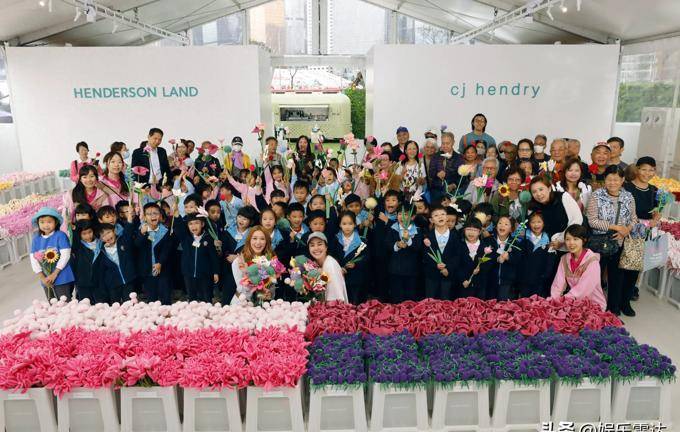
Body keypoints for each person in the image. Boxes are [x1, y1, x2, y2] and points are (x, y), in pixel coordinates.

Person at [586, 165, 638, 316]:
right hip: (600, 242)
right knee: (595, 276)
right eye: (609, 179)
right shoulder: (597, 195)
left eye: (616, 179)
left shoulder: (628, 196)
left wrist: (626, 230)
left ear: (622, 180)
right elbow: (592, 221)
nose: (612, 183)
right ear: (605, 180)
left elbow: (634, 218)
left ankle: (613, 309)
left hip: (620, 242)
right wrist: (615, 227)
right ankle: (593, 309)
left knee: (617, 277)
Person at [624, 156, 660, 302]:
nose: (647, 173)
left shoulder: (654, 190)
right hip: (626, 230)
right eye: (644, 169)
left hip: (643, 233)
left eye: (651, 170)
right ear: (637, 170)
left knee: (635, 265)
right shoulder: (626, 187)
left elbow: (656, 210)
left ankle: (628, 295)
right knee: (621, 265)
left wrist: (656, 217)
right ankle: (616, 296)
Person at [550, 224, 607, 310]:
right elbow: (558, 284)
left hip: (593, 304)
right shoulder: (564, 259)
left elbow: (583, 289)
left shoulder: (592, 261)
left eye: (575, 239)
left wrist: (564, 299)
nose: (571, 243)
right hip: (574, 302)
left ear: (584, 240)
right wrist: (554, 301)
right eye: (567, 239)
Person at [528, 175, 583, 252]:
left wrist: (561, 240)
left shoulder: (563, 197)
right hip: (549, 248)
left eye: (541, 189)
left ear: (549, 188)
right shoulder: (533, 208)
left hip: (571, 245)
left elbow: (577, 220)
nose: (538, 194)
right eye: (534, 192)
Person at [30, 207, 76, 300]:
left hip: (62, 276)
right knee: (52, 303)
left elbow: (65, 256)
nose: (45, 225)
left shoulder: (60, 236)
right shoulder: (36, 239)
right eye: (42, 222)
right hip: (46, 279)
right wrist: (42, 277)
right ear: (38, 223)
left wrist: (54, 274)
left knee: (64, 302)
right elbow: (33, 259)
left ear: (56, 222)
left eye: (49, 222)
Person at [134, 202, 173, 305]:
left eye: (155, 213)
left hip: (163, 270)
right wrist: (142, 234)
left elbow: (167, 250)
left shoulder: (166, 231)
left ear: (160, 216)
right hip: (147, 270)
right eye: (149, 214)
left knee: (165, 296)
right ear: (144, 217)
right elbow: (137, 245)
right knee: (151, 298)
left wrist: (160, 263)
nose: (153, 216)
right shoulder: (141, 230)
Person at [176, 213, 219, 302]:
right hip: (189, 274)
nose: (193, 226)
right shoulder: (186, 238)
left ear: (202, 224)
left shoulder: (209, 238)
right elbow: (179, 227)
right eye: (190, 224)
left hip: (205, 275)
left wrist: (215, 272)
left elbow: (214, 257)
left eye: (196, 223)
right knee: (192, 298)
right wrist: (177, 215)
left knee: (206, 298)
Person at [385, 203, 423, 303]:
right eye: (399, 214)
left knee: (410, 297)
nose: (402, 217)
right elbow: (387, 244)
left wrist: (409, 240)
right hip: (395, 269)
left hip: (412, 270)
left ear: (413, 217)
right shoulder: (393, 228)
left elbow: (418, 247)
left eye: (405, 214)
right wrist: (397, 245)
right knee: (396, 296)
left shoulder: (417, 230)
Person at [329, 211, 368, 304]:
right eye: (344, 224)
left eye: (350, 224)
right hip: (340, 276)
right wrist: (338, 267)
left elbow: (366, 257)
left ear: (355, 224)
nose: (347, 227)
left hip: (356, 277)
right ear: (340, 225)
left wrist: (355, 264)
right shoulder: (335, 239)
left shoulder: (362, 240)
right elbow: (332, 256)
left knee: (355, 303)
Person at [422, 205, 459, 300]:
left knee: (447, 303)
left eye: (443, 214)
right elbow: (425, 256)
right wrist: (436, 265)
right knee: (431, 302)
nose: (440, 217)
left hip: (448, 275)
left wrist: (448, 267)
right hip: (432, 277)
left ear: (447, 217)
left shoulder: (455, 236)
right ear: (431, 220)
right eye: (436, 215)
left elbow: (457, 256)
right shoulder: (427, 237)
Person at [98, 216, 137, 305]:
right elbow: (102, 271)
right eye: (103, 235)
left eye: (108, 232)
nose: (107, 236)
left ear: (114, 231)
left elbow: (128, 233)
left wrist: (129, 219)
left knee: (130, 304)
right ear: (101, 239)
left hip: (128, 280)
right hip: (113, 284)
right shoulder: (101, 251)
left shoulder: (123, 241)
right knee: (116, 306)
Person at [232, 226, 275, 303]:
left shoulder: (270, 261)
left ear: (266, 241)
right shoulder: (240, 261)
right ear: (249, 240)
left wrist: (269, 294)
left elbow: (272, 288)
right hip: (242, 304)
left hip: (263, 306)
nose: (258, 242)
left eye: (262, 239)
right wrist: (246, 273)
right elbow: (242, 290)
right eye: (254, 238)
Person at [519, 212, 555, 298]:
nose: (536, 225)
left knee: (538, 303)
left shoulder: (548, 239)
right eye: (533, 222)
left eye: (539, 222)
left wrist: (545, 275)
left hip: (540, 280)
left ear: (544, 223)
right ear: (529, 224)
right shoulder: (523, 237)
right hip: (524, 279)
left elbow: (550, 262)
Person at [456, 218, 493, 300]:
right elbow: (456, 265)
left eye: (474, 230)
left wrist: (480, 268)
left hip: (480, 286)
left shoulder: (486, 247)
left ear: (479, 232)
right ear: (464, 230)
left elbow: (489, 264)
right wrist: (462, 280)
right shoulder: (459, 246)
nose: (471, 232)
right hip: (463, 285)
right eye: (468, 229)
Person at [486, 215, 522, 300]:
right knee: (490, 304)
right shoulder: (488, 240)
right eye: (500, 223)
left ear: (511, 229)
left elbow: (518, 261)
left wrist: (509, 257)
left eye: (506, 224)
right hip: (490, 281)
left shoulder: (515, 243)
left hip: (508, 283)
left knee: (504, 304)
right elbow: (484, 259)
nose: (502, 225)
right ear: (496, 226)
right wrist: (496, 259)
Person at [307, 232, 348, 302]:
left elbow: (336, 298)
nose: (316, 248)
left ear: (326, 247)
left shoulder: (330, 265)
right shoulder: (315, 265)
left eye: (319, 244)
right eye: (312, 245)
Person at [70, 219, 101, 302]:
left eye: (90, 232)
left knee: (101, 304)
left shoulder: (100, 243)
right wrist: (73, 229)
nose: (88, 236)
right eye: (84, 234)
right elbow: (74, 238)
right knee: (85, 305)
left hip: (99, 281)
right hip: (83, 282)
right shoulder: (78, 246)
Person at [430, 131, 463, 204]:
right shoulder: (436, 156)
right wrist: (437, 174)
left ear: (453, 142)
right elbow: (431, 172)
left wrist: (454, 185)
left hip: (452, 193)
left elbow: (462, 177)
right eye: (443, 143)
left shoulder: (459, 158)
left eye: (447, 143)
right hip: (436, 192)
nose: (445, 146)